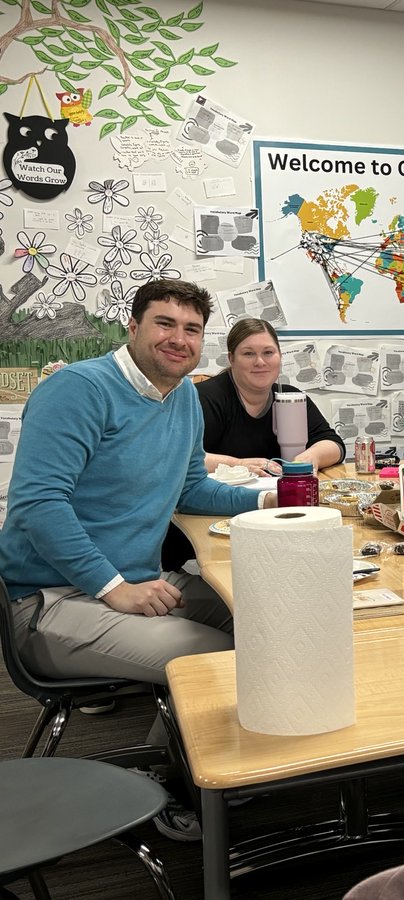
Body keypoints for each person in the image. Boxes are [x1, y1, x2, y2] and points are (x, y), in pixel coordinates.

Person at [0, 279, 274, 841]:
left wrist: (268, 498)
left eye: (191, 329)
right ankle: (173, 782)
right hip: (50, 601)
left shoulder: (182, 400)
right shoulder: (79, 389)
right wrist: (112, 585)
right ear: (133, 326)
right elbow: (38, 502)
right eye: (164, 324)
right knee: (216, 659)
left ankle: (194, 754)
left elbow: (193, 489)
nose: (178, 339)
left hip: (133, 583)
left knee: (269, 614)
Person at [196, 318, 345, 476]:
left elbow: (335, 445)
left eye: (268, 352)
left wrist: (312, 456)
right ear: (231, 358)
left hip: (279, 495)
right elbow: (180, 457)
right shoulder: (204, 398)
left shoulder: (290, 397)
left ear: (280, 356)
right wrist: (238, 465)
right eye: (248, 353)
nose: (260, 362)